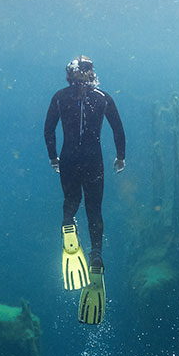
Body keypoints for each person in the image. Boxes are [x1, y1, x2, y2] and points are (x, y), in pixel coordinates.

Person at [44, 55, 126, 323]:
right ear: (92, 75)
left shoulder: (59, 97)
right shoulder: (103, 98)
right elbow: (118, 130)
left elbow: (48, 130)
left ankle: (68, 223)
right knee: (94, 210)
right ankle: (96, 256)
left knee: (71, 200)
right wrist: (120, 156)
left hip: (68, 158)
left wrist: (53, 157)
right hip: (94, 161)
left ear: (69, 75)